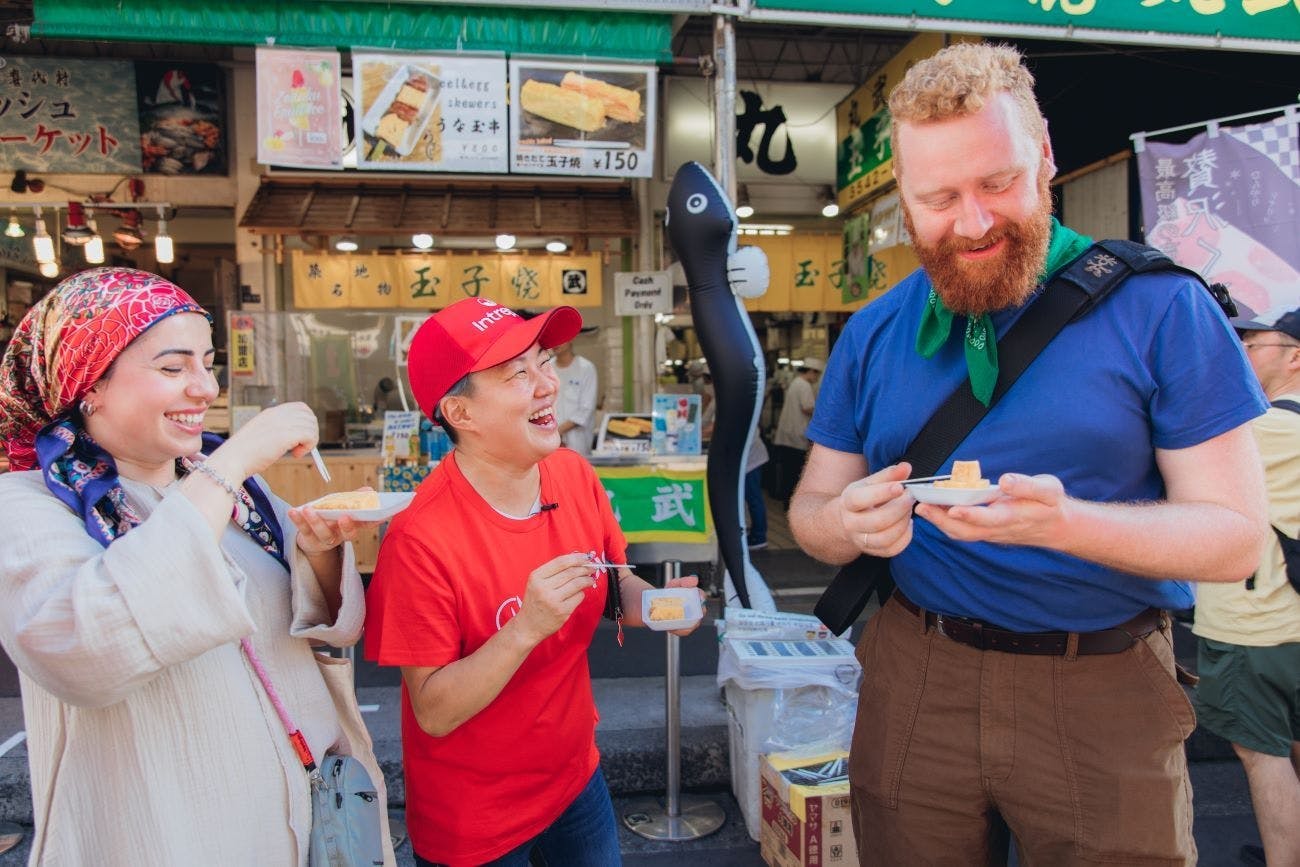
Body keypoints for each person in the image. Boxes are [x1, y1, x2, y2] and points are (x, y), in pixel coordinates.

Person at [788, 43, 1269, 866]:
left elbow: (1235, 537)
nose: (972, 222)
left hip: (1102, 679)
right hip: (915, 672)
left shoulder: (1164, 309)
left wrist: (1065, 522)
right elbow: (809, 519)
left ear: (1044, 153)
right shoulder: (871, 332)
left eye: (997, 182)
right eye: (938, 197)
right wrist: (847, 522)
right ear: (900, 198)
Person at [0, 267, 392, 866]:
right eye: (173, 367)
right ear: (90, 386)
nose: (205, 388)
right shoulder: (30, 504)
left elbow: (328, 627)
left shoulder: (237, 492)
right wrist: (231, 462)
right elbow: (84, 649)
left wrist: (317, 552)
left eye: (207, 363)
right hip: (166, 837)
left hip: (309, 822)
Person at [363, 297, 702, 867]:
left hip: (576, 778)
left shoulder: (570, 472)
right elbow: (435, 711)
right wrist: (525, 629)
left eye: (544, 362)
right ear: (460, 414)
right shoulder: (419, 537)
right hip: (476, 820)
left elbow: (614, 584)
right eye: (518, 374)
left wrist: (666, 607)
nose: (548, 385)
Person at [1194, 307, 1300, 867]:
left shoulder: (1260, 428)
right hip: (1291, 621)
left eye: (1253, 345)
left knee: (1263, 757)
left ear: (1293, 355)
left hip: (1254, 626)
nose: (1241, 353)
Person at [772, 357, 822, 507]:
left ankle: (787, 501)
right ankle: (791, 504)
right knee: (795, 472)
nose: (817, 378)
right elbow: (807, 407)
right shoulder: (804, 385)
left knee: (789, 470)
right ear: (811, 372)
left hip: (788, 434)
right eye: (817, 374)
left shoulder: (795, 382)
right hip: (796, 435)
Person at [553, 338, 597, 455]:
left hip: (577, 441)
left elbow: (585, 410)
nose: (555, 343)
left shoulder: (585, 368)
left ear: (570, 339)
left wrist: (558, 431)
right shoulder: (546, 367)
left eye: (559, 337)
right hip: (549, 441)